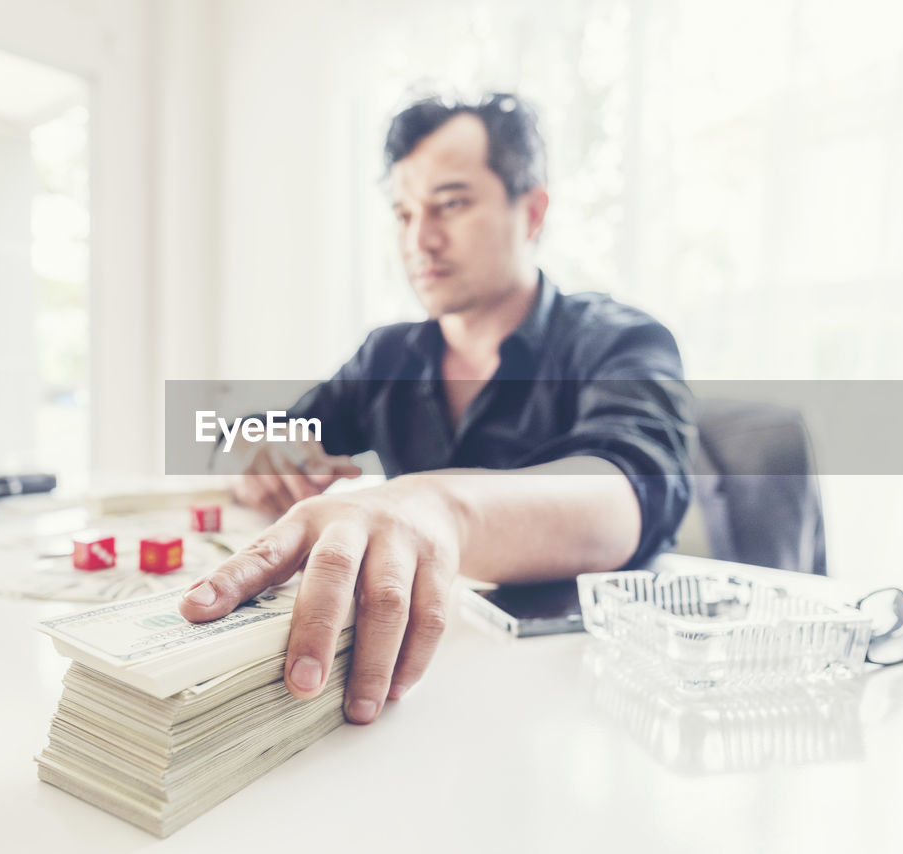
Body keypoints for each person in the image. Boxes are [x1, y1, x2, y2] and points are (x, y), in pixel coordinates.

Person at [178, 93, 692, 725]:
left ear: (531, 211)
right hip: (418, 693)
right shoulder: (389, 353)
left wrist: (435, 506)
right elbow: (248, 434)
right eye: (403, 213)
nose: (420, 239)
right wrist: (260, 449)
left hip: (583, 702)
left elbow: (632, 491)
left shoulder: (620, 338)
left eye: (450, 204)